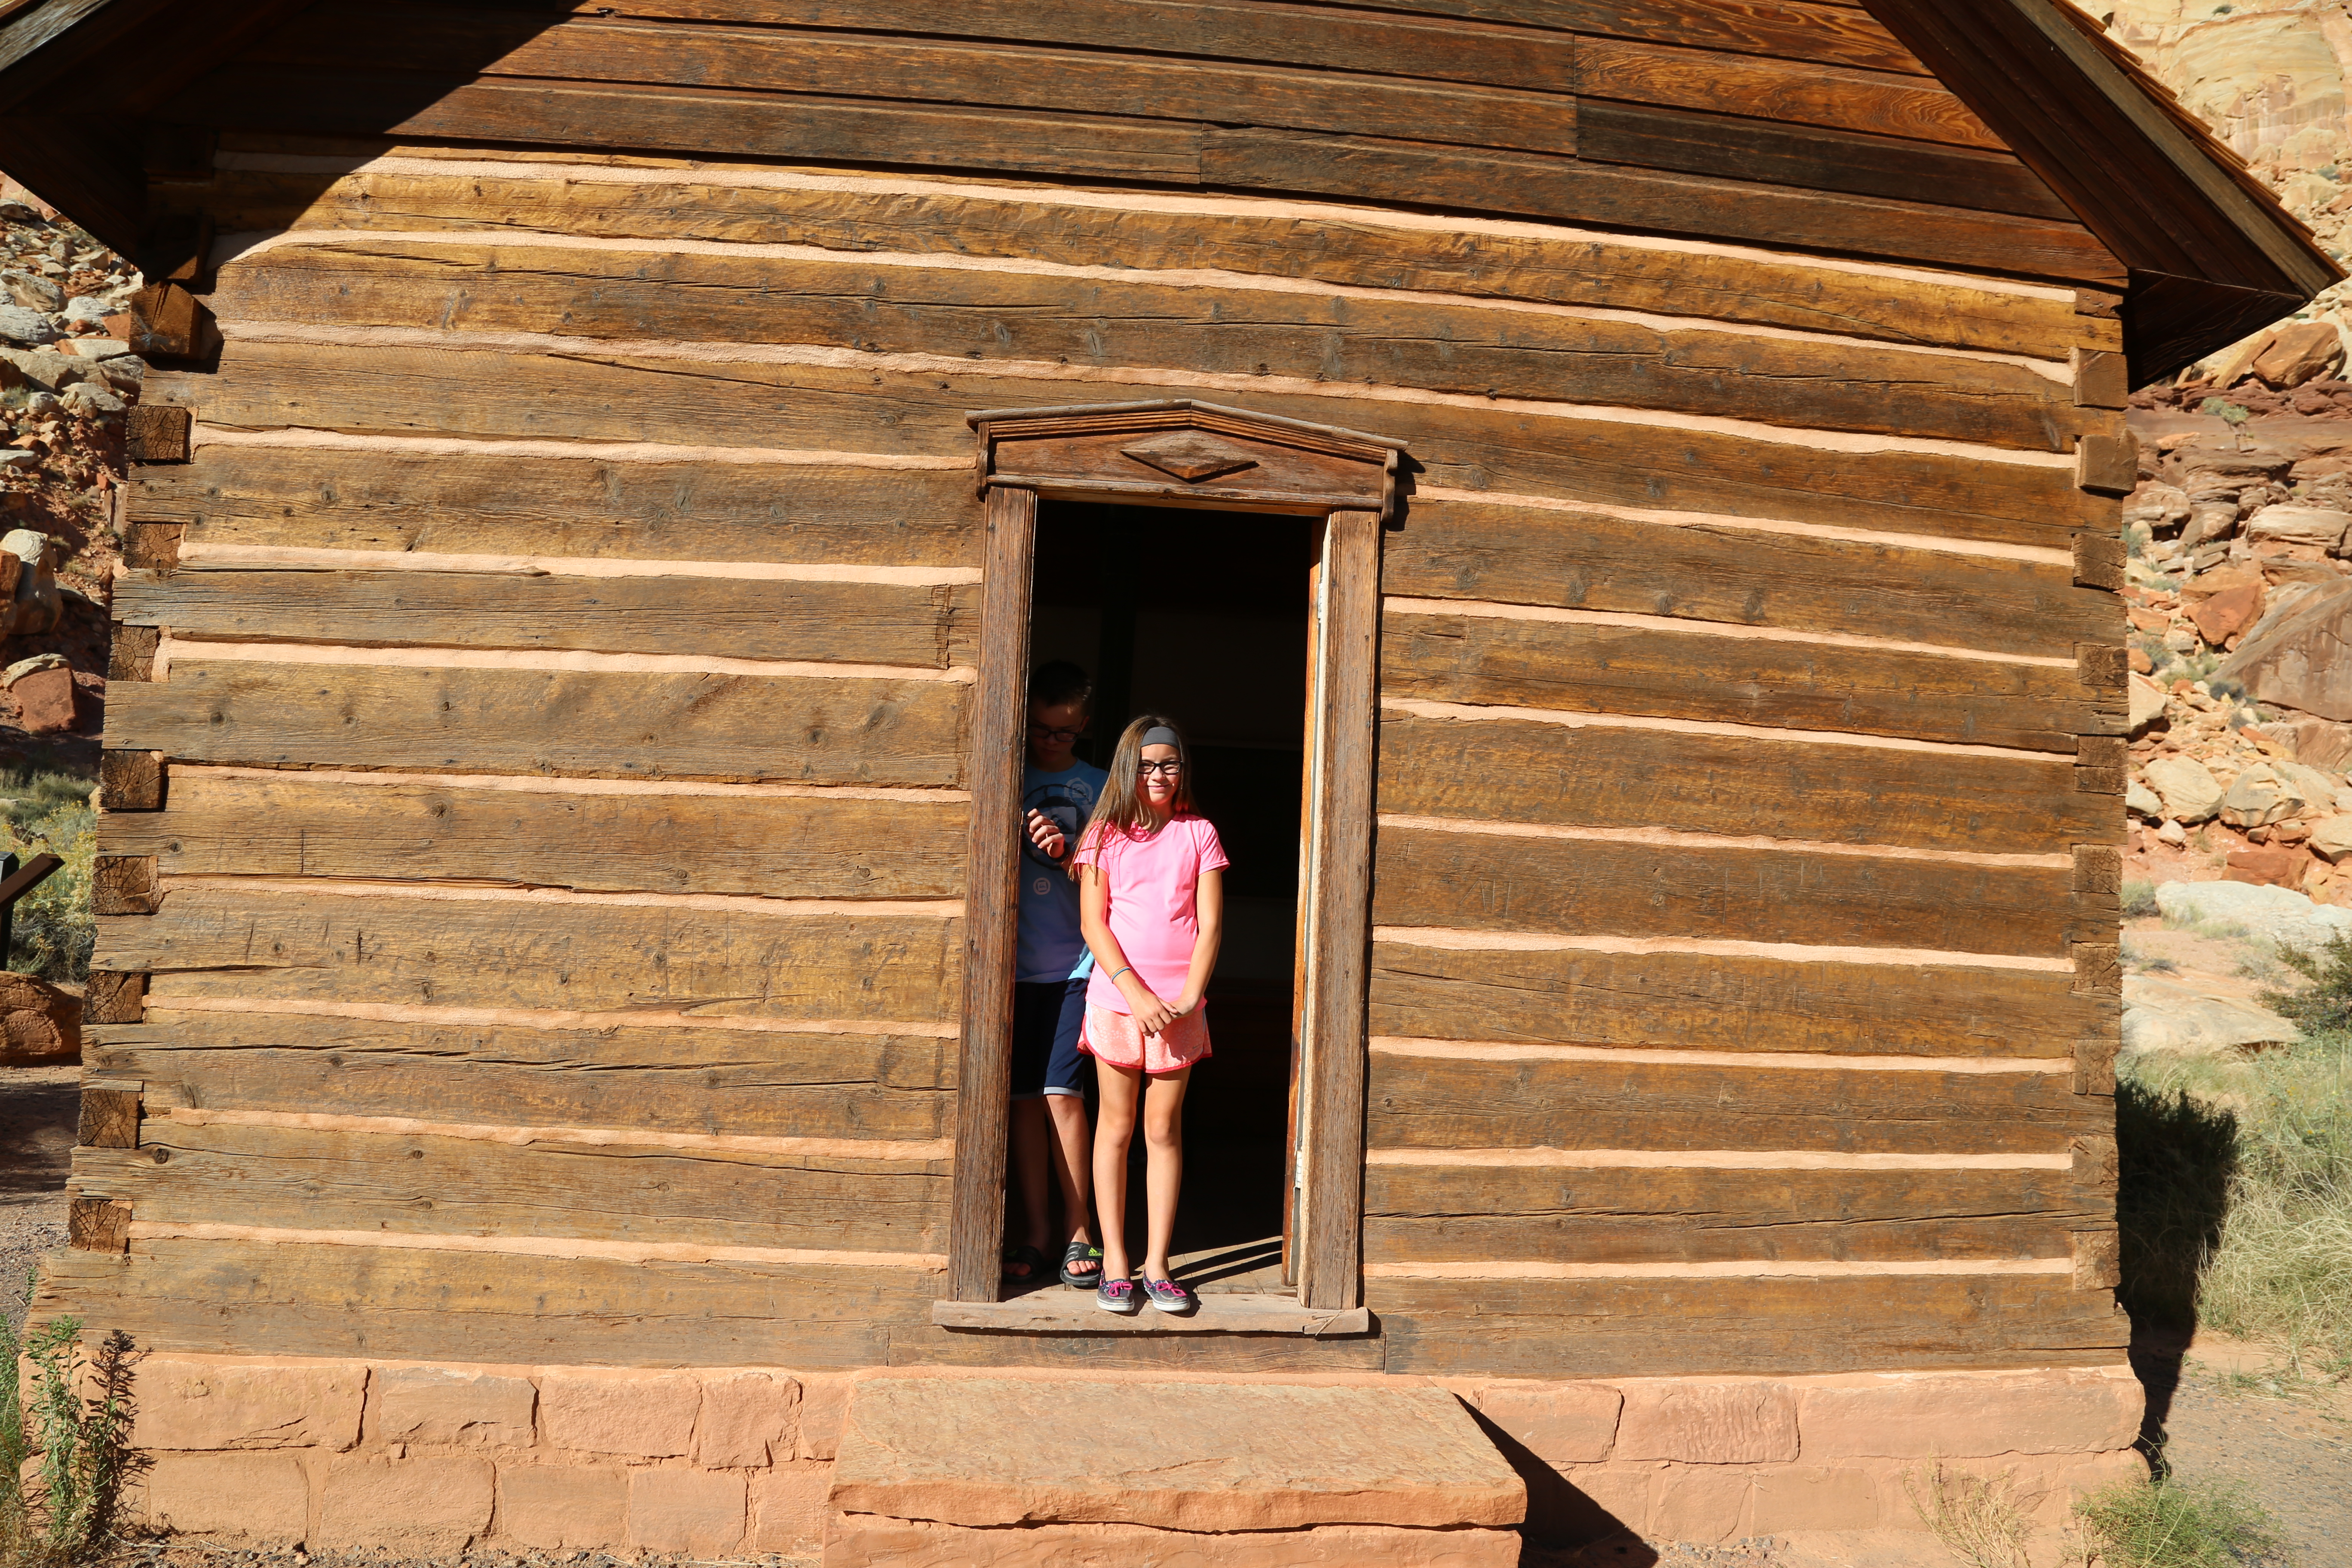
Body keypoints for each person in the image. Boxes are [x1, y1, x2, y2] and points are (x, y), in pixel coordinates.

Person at [1069, 715, 1225, 1314]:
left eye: (1170, 763)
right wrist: (1134, 992)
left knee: (1162, 1130)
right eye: (1148, 763)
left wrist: (1190, 995)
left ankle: (1158, 1265)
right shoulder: (1102, 836)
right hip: (1118, 1002)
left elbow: (1210, 923)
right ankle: (1115, 1262)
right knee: (1116, 1126)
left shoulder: (1200, 833)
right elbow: (1093, 923)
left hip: (1181, 1007)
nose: (1160, 774)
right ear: (1127, 768)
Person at [1002, 660, 1109, 1290]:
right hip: (1009, 967)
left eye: (1064, 733)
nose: (1050, 741)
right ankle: (1037, 1232)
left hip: (1076, 964)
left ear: (1084, 728)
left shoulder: (1099, 789)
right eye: (1040, 729)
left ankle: (1080, 1230)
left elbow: (1115, 886)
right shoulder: (1001, 779)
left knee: (1062, 1097)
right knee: (1021, 1104)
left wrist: (1066, 853)